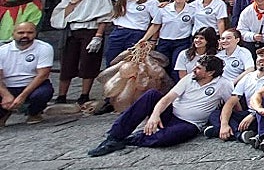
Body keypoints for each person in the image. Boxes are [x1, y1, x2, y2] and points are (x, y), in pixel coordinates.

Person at [87, 55, 231, 156]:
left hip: (190, 123)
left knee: (168, 138)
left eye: (199, 68)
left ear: (210, 73)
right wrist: (154, 116)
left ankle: (130, 140)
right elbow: (167, 98)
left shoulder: (223, 84)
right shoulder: (189, 78)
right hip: (171, 112)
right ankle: (114, 136)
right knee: (152, 94)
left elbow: (231, 103)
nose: (194, 69)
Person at [50, 0, 117, 105]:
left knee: (89, 63)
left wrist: (98, 36)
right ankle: (61, 95)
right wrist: (73, 3)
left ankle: (84, 94)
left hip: (91, 31)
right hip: (72, 32)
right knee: (67, 63)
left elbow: (104, 17)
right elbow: (59, 17)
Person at [206, 46, 264, 141]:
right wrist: (224, 124)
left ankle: (219, 130)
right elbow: (231, 102)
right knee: (215, 114)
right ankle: (237, 134)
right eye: (261, 55)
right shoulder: (248, 77)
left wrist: (254, 115)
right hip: (248, 112)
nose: (263, 58)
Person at [0, 22, 54, 124]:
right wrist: (6, 95)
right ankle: (4, 113)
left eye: (30, 32)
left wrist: (22, 96)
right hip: (8, 86)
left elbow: (43, 75)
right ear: (13, 33)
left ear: (35, 33)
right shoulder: (2, 50)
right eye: (21, 33)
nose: (25, 35)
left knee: (43, 93)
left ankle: (34, 113)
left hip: (33, 85)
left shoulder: (45, 48)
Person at [104, 0, 164, 65]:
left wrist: (147, 39)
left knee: (130, 63)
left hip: (137, 34)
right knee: (111, 60)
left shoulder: (151, 2)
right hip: (118, 32)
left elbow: (156, 23)